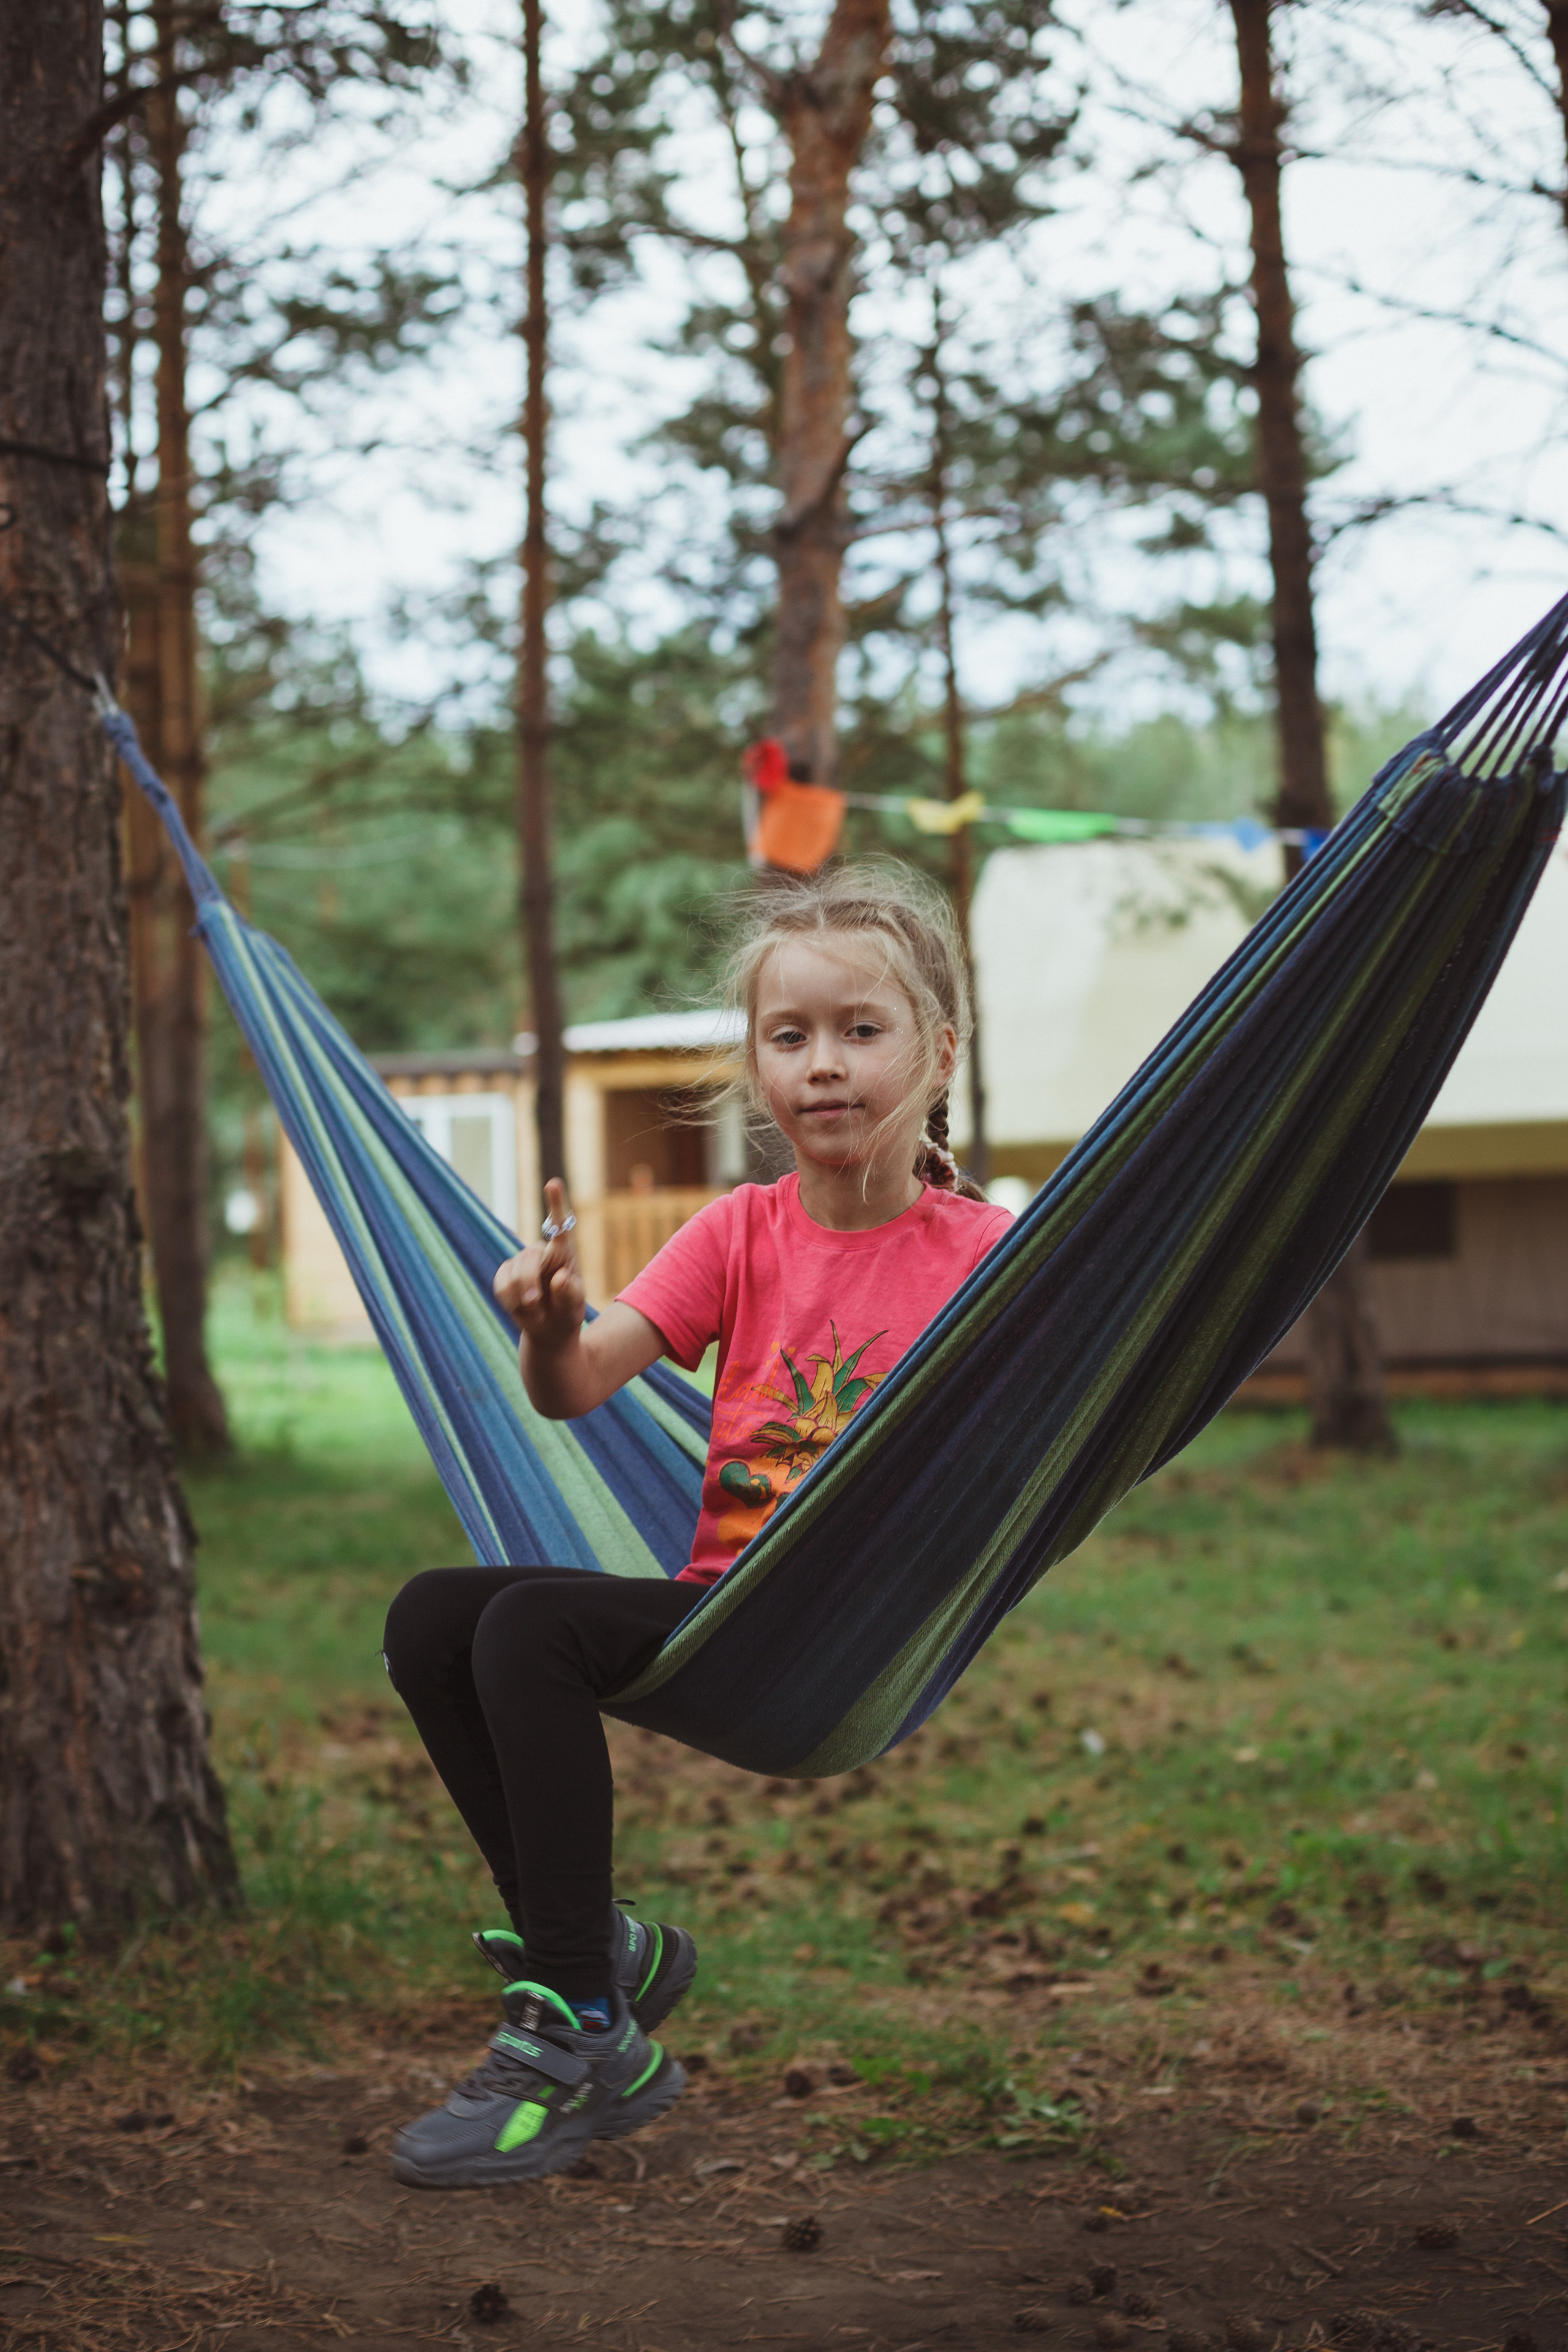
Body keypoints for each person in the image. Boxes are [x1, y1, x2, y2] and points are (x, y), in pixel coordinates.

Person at [382, 864, 1013, 2188]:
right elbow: (573, 1392)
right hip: (729, 1619)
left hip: (848, 1639)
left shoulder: (986, 1261)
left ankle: (578, 2026)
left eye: (861, 1030)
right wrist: (547, 1326)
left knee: (532, 1630)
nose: (823, 1067)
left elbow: (1074, 1422)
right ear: (754, 1066)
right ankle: (593, 1958)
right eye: (788, 1038)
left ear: (938, 1051)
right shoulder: (739, 1231)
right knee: (435, 1617)